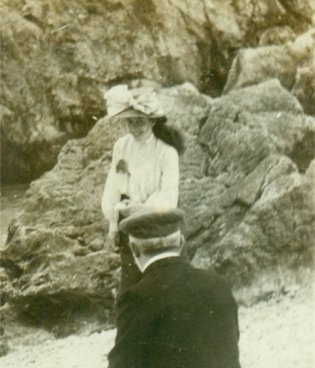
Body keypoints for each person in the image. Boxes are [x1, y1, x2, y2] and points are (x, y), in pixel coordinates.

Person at [108, 208, 241, 368]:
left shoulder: (136, 298)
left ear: (135, 250)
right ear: (181, 243)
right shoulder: (218, 284)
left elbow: (123, 364)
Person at [101, 84, 184, 291]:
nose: (134, 128)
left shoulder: (167, 152)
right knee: (131, 286)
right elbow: (114, 187)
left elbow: (169, 197)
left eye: (140, 121)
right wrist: (113, 227)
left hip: (160, 226)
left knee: (163, 285)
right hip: (129, 226)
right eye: (130, 122)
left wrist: (137, 209)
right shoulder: (121, 146)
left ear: (152, 120)